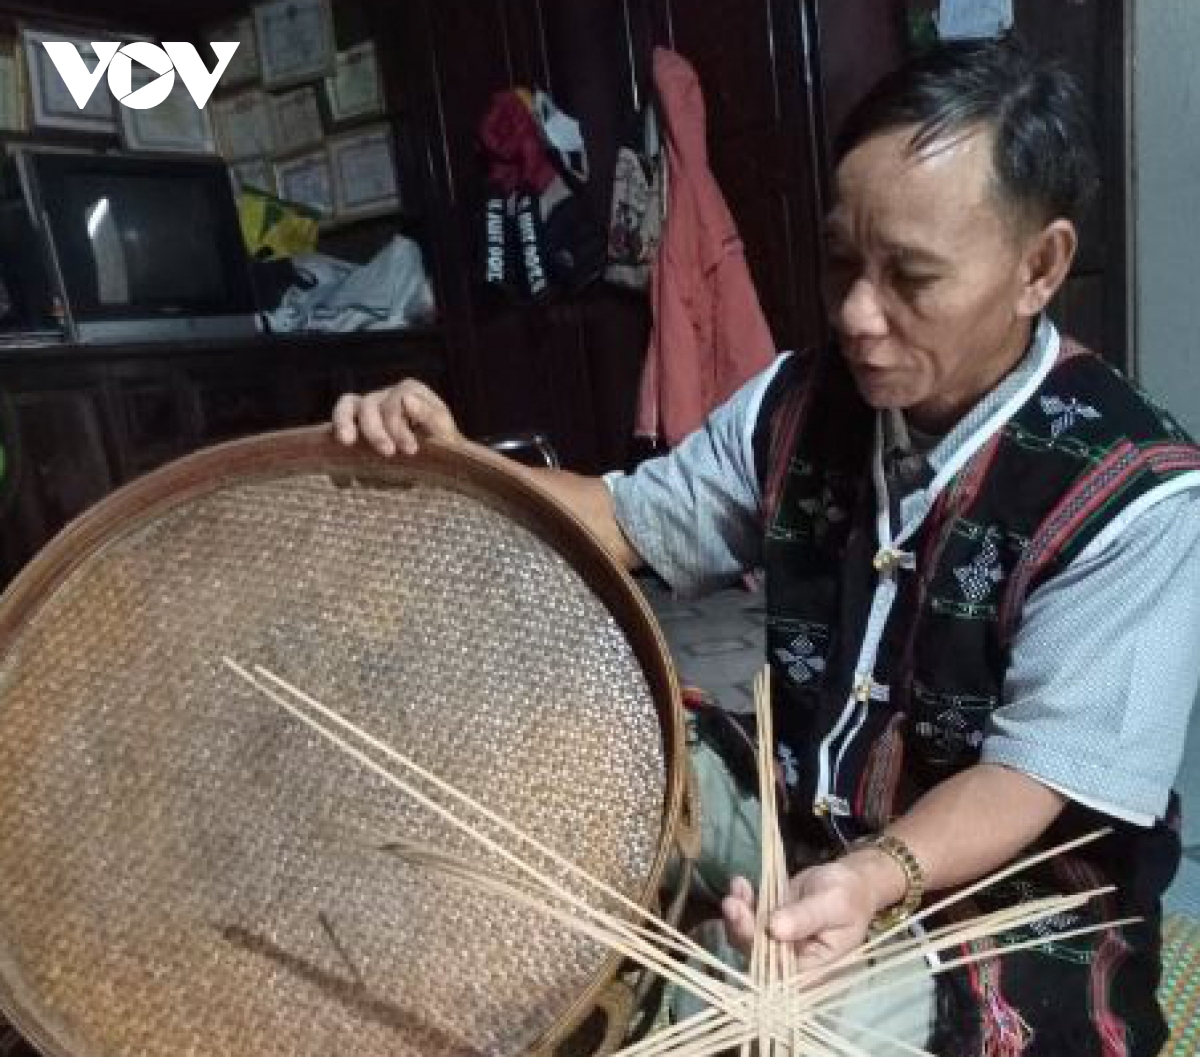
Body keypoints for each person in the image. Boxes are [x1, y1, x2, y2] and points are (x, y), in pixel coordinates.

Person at [332, 39, 1200, 1056]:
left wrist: (873, 877)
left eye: (911, 276)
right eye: (842, 263)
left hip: (993, 893)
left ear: (1037, 267)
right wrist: (452, 462)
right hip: (806, 806)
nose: (857, 314)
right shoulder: (797, 401)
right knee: (552, 764)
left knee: (752, 1023)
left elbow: (1033, 776)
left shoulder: (1136, 492)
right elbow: (621, 518)